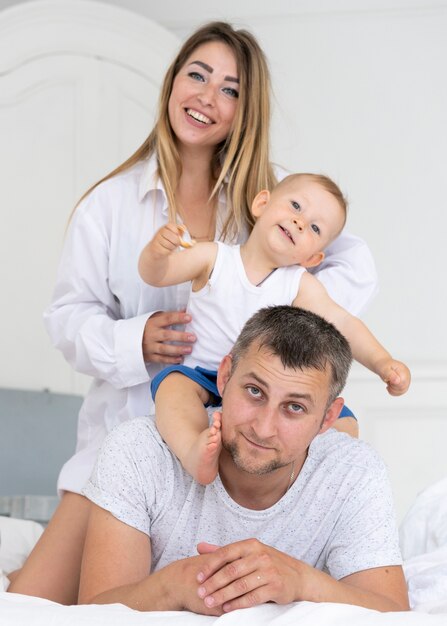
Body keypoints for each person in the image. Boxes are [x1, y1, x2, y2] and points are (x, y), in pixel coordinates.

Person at [7, 22, 377, 604]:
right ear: (173, 82)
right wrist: (138, 342)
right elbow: (67, 319)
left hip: (241, 450)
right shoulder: (110, 204)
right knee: (30, 604)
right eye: (197, 75)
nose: (207, 96)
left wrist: (278, 304)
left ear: (244, 110)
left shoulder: (271, 202)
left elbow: (351, 263)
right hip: (127, 442)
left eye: (230, 89)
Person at [77, 306, 409, 614]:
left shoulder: (353, 472)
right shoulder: (139, 451)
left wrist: (301, 581)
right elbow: (93, 614)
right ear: (224, 378)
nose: (263, 429)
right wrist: (174, 585)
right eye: (254, 391)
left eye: (294, 407)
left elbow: (393, 613)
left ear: (326, 419)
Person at [139, 173, 411, 485]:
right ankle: (192, 452)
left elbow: (344, 323)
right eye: (296, 206)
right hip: (204, 374)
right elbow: (157, 275)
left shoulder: (299, 284)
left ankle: (306, 481)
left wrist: (383, 362)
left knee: (344, 422)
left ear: (313, 258)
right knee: (171, 389)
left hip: (268, 387)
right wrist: (157, 254)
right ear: (262, 203)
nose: (299, 222)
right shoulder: (213, 257)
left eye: (314, 227)